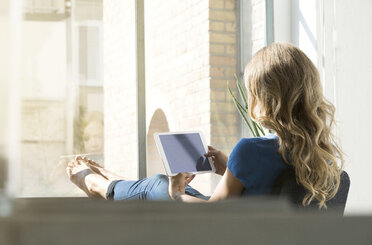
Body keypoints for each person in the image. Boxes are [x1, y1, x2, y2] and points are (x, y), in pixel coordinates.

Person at [67, 43, 343, 208]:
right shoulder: (324, 164)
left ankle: (96, 184)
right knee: (161, 185)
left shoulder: (251, 150)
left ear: (264, 98)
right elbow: (263, 194)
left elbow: (215, 216)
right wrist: (229, 168)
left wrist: (176, 194)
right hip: (255, 233)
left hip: (223, 233)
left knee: (160, 186)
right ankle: (112, 180)